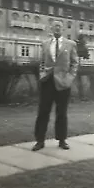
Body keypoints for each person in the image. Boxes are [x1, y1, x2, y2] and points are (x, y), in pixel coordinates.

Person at [32, 20, 79, 151]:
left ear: (62, 29)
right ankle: (39, 141)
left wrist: (69, 79)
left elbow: (75, 63)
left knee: (62, 113)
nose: (57, 28)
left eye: (59, 26)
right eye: (55, 26)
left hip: (63, 83)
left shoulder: (70, 44)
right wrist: (42, 74)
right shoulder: (45, 44)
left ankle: (62, 140)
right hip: (47, 82)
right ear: (51, 28)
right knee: (43, 112)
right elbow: (41, 62)